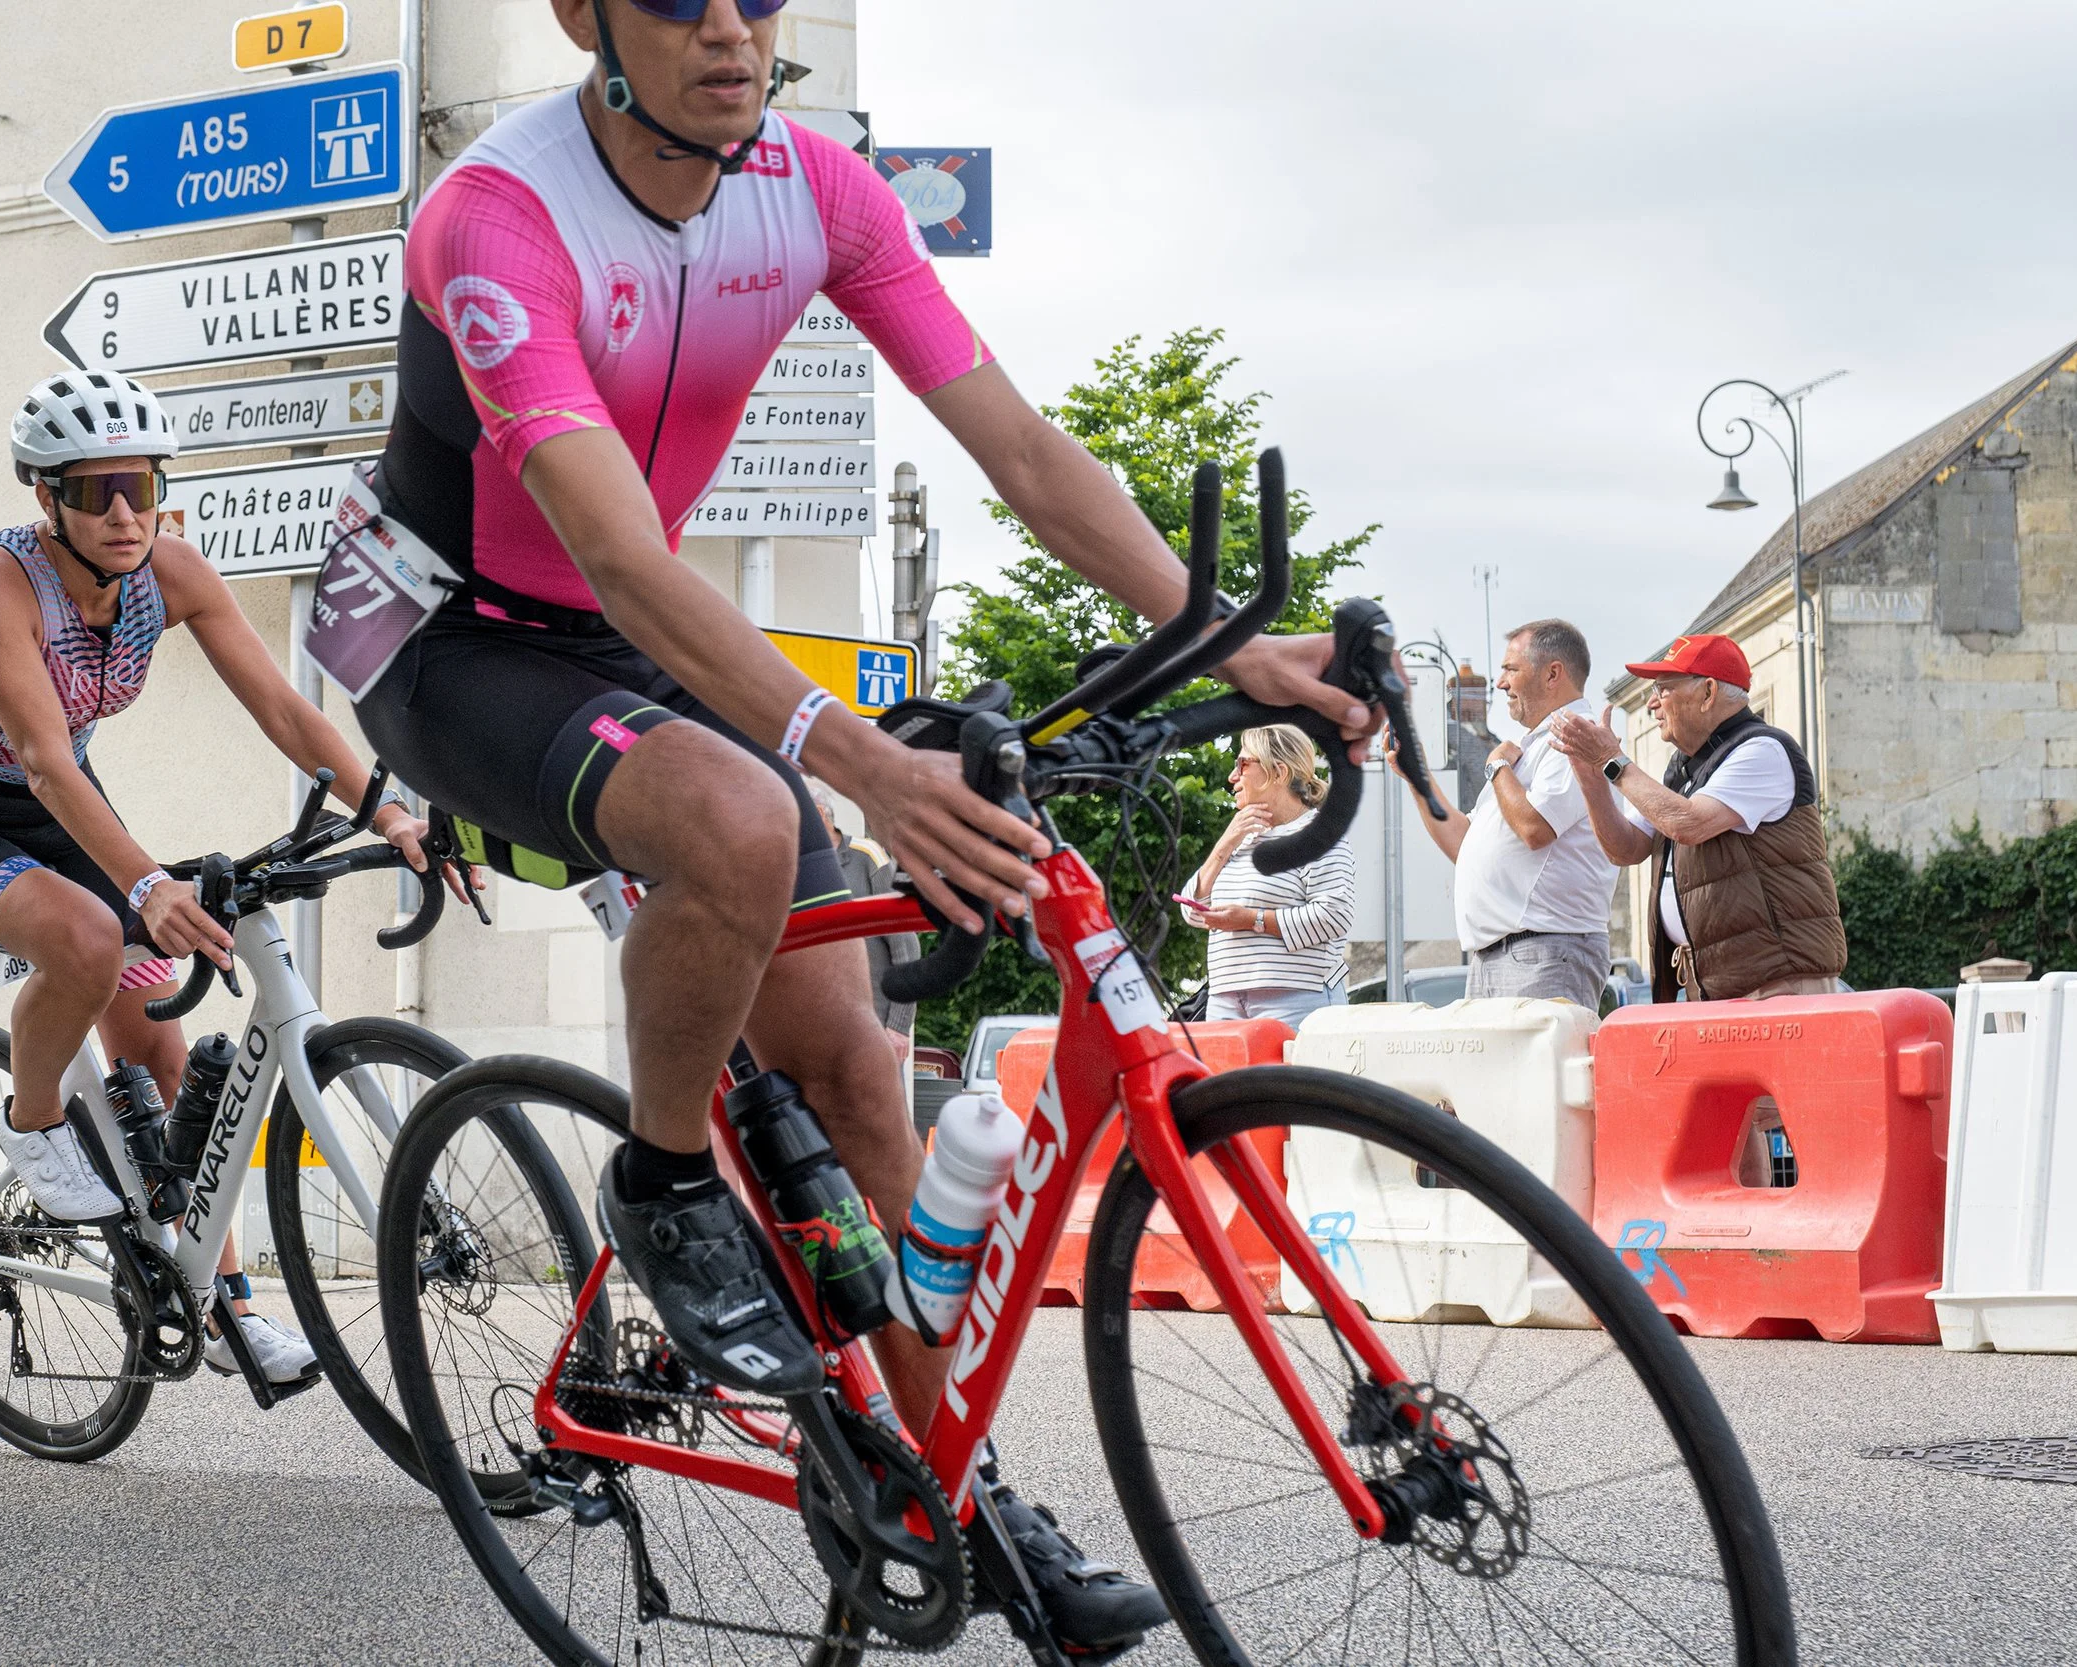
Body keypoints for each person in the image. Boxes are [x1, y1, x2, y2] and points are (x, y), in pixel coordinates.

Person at [349, 2, 1374, 1649]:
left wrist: (1248, 655)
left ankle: (948, 1487)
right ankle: (667, 1177)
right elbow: (611, 547)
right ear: (583, 15)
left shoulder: (819, 193)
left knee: (851, 1064)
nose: (731, 29)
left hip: (634, 627)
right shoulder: (497, 213)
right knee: (747, 818)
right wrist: (860, 764)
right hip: (447, 636)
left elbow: (1032, 458)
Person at [0, 371, 443, 1383]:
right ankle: (35, 1121)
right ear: (46, 499)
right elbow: (44, 757)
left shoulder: (169, 572)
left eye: (139, 484)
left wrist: (385, 808)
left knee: (168, 1057)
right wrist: (141, 885)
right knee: (92, 936)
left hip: (62, 810)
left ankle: (227, 1306)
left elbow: (286, 712)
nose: (126, 512)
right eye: (96, 492)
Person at [1551, 633, 1846, 1185]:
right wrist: (1590, 774)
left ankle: (1812, 1250)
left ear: (1708, 692)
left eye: (1664, 689)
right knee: (1735, 1129)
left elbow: (1688, 822)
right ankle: (1757, 1246)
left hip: (1776, 972)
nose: (1653, 702)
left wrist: (1613, 762)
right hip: (1718, 978)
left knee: (1804, 1131)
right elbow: (1626, 847)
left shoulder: (1762, 750)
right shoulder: (1683, 769)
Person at [1399, 618, 1615, 1007]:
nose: (1500, 683)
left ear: (1553, 674)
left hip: (1545, 950)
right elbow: (1466, 844)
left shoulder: (1575, 737)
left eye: (1511, 669)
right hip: (1505, 956)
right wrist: (1417, 777)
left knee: (1537, 1070)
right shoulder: (1531, 748)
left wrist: (1497, 768)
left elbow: (1535, 828)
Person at [1181, 725, 1355, 1026]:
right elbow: (1191, 912)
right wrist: (1223, 846)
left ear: (1278, 772)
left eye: (1242, 764)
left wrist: (1252, 919)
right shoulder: (1241, 838)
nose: (1232, 777)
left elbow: (1334, 916)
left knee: (1290, 1076)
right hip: (1226, 1001)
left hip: (1298, 1000)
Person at [809, 780, 918, 1050]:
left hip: (874, 1021)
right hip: (819, 1023)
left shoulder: (868, 856)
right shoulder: (800, 869)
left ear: (820, 815)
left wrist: (899, 1027)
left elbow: (905, 944)